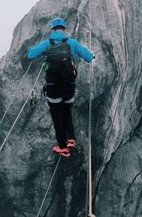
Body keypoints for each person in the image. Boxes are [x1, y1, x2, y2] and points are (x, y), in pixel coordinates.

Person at [28, 17, 95, 157]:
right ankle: (71, 139)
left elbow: (31, 54)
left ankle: (63, 147)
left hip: (52, 87)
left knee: (57, 116)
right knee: (67, 112)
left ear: (52, 29)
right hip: (69, 86)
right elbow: (89, 57)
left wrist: (45, 51)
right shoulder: (72, 43)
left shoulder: (48, 43)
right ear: (64, 29)